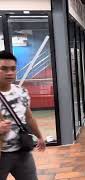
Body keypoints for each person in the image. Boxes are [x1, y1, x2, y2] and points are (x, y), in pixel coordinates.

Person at [0, 51, 46, 180]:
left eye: (13, 69)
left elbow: (29, 117)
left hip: (22, 152)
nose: (9, 73)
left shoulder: (21, 92)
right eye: (3, 69)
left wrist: (39, 136)